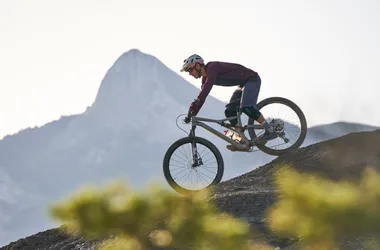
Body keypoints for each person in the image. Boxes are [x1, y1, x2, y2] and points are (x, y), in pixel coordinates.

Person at [180, 54, 277, 150]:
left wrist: (194, 104)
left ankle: (270, 130)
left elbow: (205, 91)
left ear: (197, 66)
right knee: (229, 111)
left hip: (252, 79)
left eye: (190, 70)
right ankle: (242, 141)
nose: (190, 74)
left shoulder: (212, 68)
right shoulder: (205, 78)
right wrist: (192, 113)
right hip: (243, 85)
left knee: (246, 107)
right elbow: (201, 98)